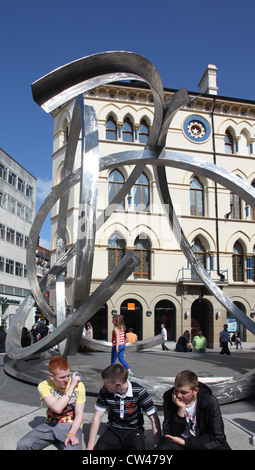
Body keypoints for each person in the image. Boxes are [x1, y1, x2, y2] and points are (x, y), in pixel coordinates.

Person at [16, 355, 86, 450]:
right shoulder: (44, 386)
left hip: (71, 426)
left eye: (68, 376)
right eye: (62, 377)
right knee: (23, 445)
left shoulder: (79, 386)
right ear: (51, 376)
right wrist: (72, 386)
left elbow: (79, 415)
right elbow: (57, 408)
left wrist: (72, 433)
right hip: (51, 424)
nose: (67, 380)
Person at [87, 364, 161, 450]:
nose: (104, 386)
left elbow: (154, 417)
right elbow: (97, 417)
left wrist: (157, 445)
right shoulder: (105, 391)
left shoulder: (139, 391)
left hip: (134, 430)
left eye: (106, 384)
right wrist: (90, 446)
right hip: (113, 429)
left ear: (118, 385)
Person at [156, 369, 231, 451]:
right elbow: (170, 432)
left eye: (183, 392)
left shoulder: (209, 401)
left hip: (201, 441)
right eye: (176, 390)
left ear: (195, 391)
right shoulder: (169, 397)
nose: (178, 395)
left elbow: (218, 438)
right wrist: (181, 410)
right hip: (178, 440)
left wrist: (185, 442)